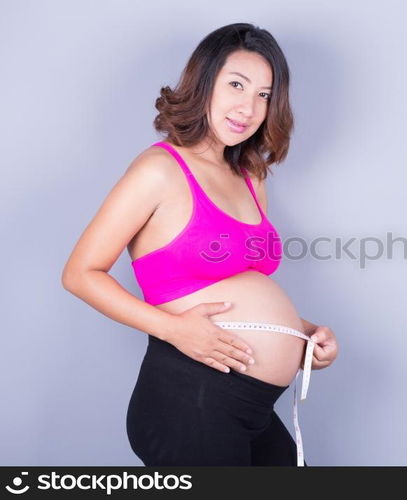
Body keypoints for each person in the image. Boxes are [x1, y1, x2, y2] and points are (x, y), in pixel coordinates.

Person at [61, 23, 339, 466]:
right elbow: (79, 274)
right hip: (191, 396)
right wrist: (172, 329)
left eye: (264, 95)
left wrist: (302, 334)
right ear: (204, 82)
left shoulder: (252, 177)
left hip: (250, 405)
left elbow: (230, 288)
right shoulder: (159, 169)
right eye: (236, 85)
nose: (248, 108)